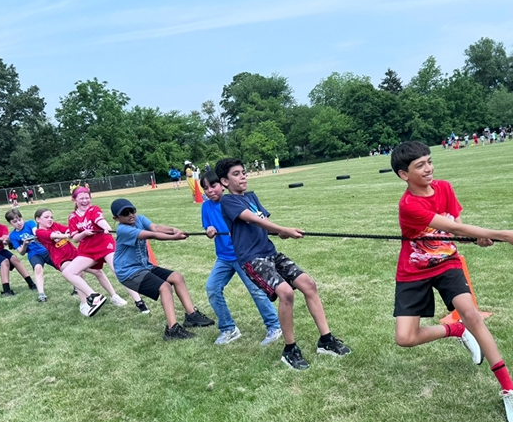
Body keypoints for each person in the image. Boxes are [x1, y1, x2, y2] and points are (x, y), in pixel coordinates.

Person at [389, 142, 513, 422]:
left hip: (447, 262)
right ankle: (455, 331)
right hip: (414, 269)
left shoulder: (444, 188)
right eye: (420, 166)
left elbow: (455, 227)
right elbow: (453, 227)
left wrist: (476, 238)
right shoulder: (408, 205)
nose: (429, 169)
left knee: (472, 314)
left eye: (429, 162)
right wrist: (504, 234)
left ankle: (509, 388)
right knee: (405, 338)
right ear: (403, 175)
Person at [216, 157, 352, 370]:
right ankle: (290, 350)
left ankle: (326, 340)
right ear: (224, 181)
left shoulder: (251, 196)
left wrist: (279, 232)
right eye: (236, 174)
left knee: (309, 284)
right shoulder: (228, 201)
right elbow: (251, 219)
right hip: (252, 259)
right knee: (286, 293)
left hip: (270, 252)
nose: (243, 176)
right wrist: (282, 228)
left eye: (243, 172)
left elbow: (263, 224)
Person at [109, 198, 214, 339]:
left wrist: (173, 230)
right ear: (116, 218)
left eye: (132, 210)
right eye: (125, 213)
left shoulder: (139, 219)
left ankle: (192, 316)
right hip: (129, 272)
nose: (130, 215)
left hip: (144, 266)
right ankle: (172, 330)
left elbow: (155, 228)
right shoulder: (123, 229)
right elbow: (151, 235)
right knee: (164, 287)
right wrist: (174, 237)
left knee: (177, 277)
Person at [199, 170, 281, 346]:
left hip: (243, 256)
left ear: (223, 184)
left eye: (213, 186)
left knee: (257, 291)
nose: (210, 191)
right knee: (212, 288)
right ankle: (228, 328)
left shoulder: (233, 202)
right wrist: (209, 230)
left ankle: (275, 326)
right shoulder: (206, 207)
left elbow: (256, 222)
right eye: (205, 188)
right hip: (223, 257)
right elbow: (208, 226)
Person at [63, 187, 148, 314]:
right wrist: (84, 233)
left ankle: (139, 301)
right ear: (74, 200)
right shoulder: (72, 217)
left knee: (118, 271)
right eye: (81, 198)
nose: (85, 201)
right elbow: (75, 238)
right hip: (87, 250)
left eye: (87, 198)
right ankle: (94, 296)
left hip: (105, 245)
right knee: (68, 272)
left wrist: (106, 227)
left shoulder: (94, 209)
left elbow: (100, 220)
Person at [38, 208, 116, 315]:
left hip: (75, 255)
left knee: (98, 271)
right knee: (78, 273)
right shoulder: (39, 232)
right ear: (38, 219)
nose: (50, 219)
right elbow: (53, 236)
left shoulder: (55, 225)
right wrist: (67, 235)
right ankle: (85, 303)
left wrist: (78, 231)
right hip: (62, 260)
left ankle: (114, 296)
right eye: (46, 217)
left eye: (51, 217)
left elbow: (68, 229)